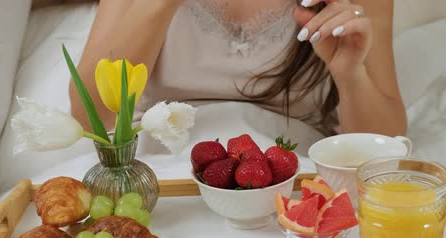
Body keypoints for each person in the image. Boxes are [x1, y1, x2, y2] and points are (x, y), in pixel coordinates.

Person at [70, 0, 406, 137]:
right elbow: (92, 116)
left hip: (294, 182)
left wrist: (350, 75)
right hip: (160, 173)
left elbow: (386, 145)